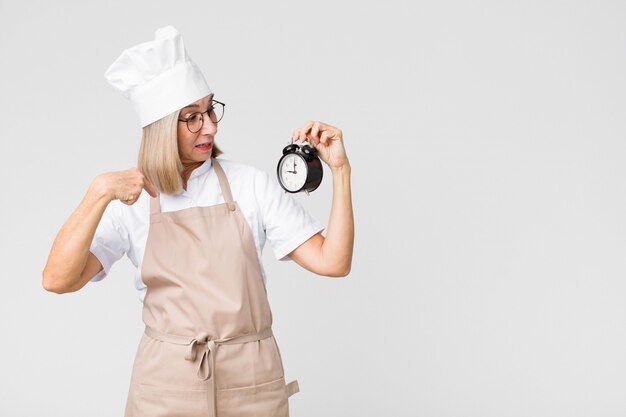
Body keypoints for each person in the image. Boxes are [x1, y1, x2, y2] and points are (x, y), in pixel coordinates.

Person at [42, 25, 353, 417]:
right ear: (160, 129)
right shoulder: (131, 200)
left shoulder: (250, 185)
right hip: (165, 389)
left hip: (251, 382)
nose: (210, 126)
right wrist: (98, 192)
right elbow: (57, 279)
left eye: (210, 110)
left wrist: (341, 173)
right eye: (192, 117)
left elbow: (334, 262)